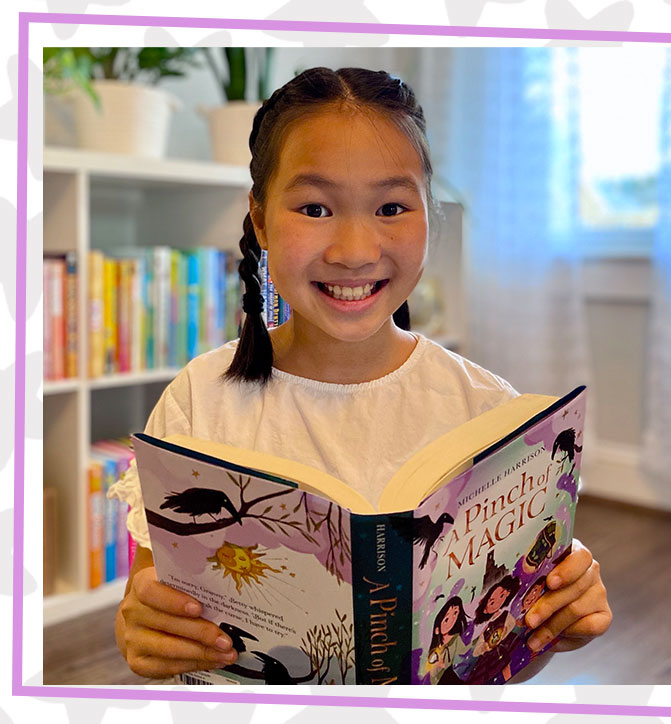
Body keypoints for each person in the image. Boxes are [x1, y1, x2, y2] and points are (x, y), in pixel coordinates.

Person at [110, 66, 612, 681]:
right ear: (262, 219)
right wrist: (143, 628)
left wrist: (552, 623)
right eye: (315, 207)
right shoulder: (199, 400)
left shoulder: (490, 415)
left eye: (392, 207)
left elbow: (494, 656)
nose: (354, 250)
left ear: (432, 215)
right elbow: (151, 605)